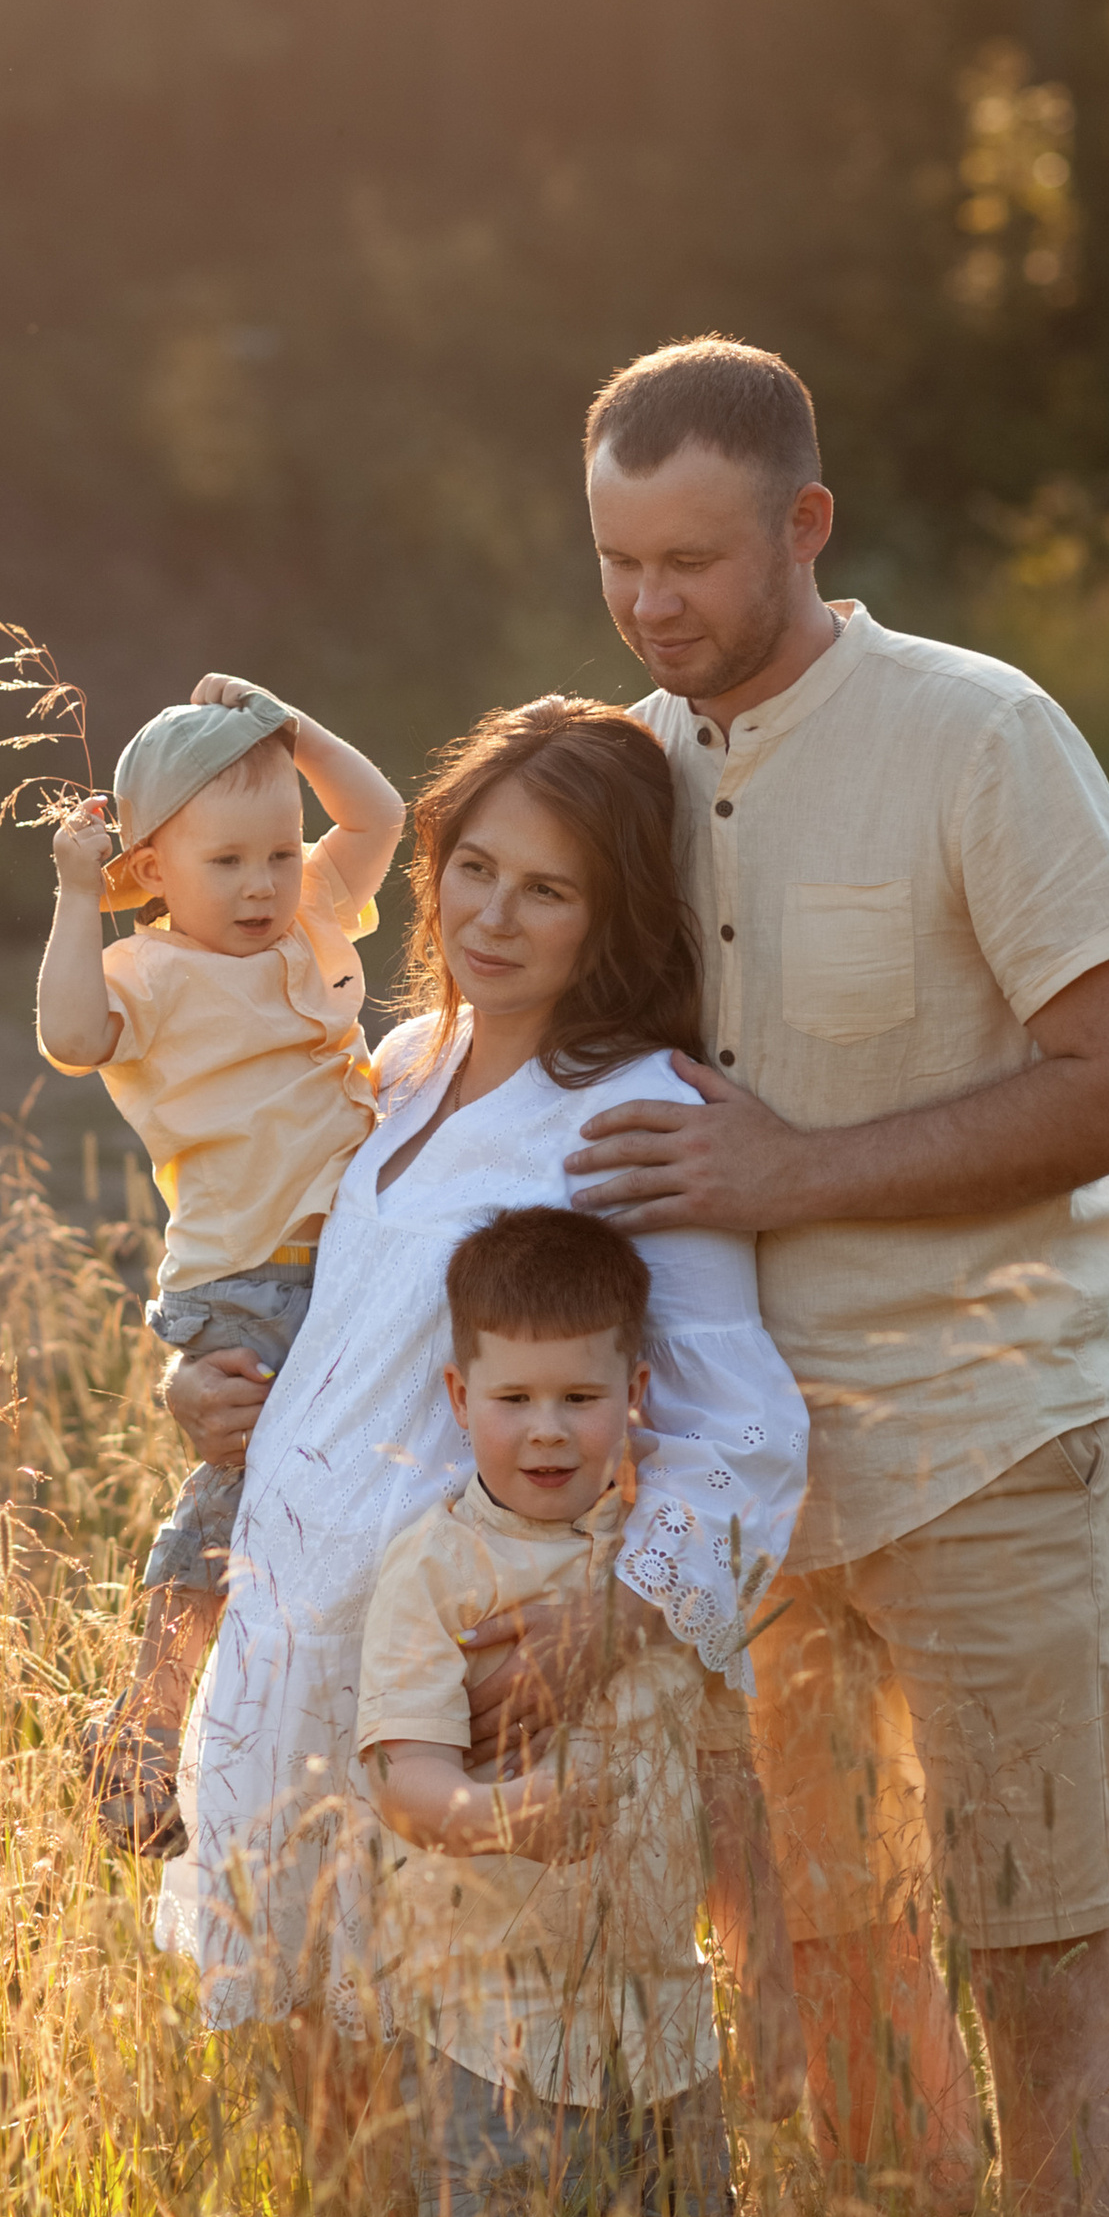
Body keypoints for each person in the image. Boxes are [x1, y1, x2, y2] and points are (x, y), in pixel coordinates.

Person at [557, 331, 1109, 2217]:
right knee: (825, 1976)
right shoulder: (623, 775)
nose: (654, 606)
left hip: (989, 1433)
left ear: (803, 527)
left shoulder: (972, 733)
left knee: (1031, 1961)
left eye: (695, 559)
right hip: (747, 1488)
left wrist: (793, 1171)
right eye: (619, 562)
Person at [151, 696, 808, 2141]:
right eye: (475, 868)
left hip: (466, 1687)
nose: (496, 916)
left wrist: (617, 1617)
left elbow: (742, 1432)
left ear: (612, 916)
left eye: (550, 889)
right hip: (293, 1656)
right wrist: (199, 1393)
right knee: (328, 2118)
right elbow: (309, 1306)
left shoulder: (633, 1111)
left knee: (491, 2133)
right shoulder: (393, 1071)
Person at [355, 1205, 741, 2217]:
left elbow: (726, 1766)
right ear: (459, 1397)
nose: (546, 1433)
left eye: (578, 1398)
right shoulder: (434, 1568)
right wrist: (503, 1817)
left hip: (666, 2024)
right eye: (513, 1400)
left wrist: (757, 1956)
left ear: (635, 1391)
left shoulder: (663, 1567)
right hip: (493, 2036)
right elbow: (408, 1783)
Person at [36, 670, 404, 1845]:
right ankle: (144, 1724)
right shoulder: (143, 973)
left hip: (345, 1262)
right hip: (243, 1277)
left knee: (333, 1490)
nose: (261, 885)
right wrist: (72, 899)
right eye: (225, 863)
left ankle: (306, 1734)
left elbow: (382, 816)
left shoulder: (311, 919)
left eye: (278, 854)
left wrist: (290, 727)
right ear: (148, 875)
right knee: (244, 1485)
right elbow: (68, 1037)